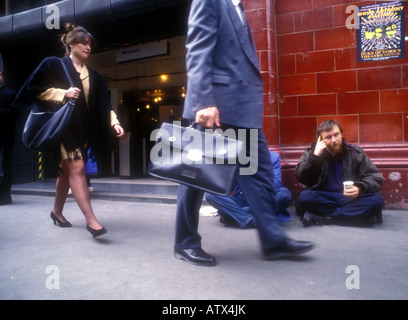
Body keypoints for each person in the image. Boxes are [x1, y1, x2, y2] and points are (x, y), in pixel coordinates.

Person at [174, 0, 314, 266]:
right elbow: (197, 49)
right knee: (194, 179)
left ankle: (273, 240)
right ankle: (185, 243)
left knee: (257, 174)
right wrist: (203, 100)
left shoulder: (239, 9)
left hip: (241, 111)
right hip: (215, 108)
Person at [17, 23, 124, 238]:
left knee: (67, 172)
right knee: (77, 168)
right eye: (83, 43)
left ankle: (56, 212)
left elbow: (104, 105)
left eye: (90, 44)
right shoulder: (53, 64)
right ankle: (91, 221)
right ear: (71, 44)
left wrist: (114, 122)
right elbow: (31, 90)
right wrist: (62, 93)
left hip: (84, 131)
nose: (88, 47)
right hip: (63, 128)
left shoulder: (95, 76)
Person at [295, 119, 384, 227]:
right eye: (328, 137)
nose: (334, 140)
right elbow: (301, 177)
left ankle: (324, 218)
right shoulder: (312, 153)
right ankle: (358, 217)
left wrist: (360, 188)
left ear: (341, 134)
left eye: (336, 135)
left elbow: (376, 177)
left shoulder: (355, 152)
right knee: (304, 197)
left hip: (349, 198)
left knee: (377, 200)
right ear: (320, 140)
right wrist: (315, 157)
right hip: (325, 197)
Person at [205, 150, 291, 229]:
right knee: (211, 195)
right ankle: (251, 220)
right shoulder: (236, 156)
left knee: (284, 194)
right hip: (242, 198)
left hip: (264, 197)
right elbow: (227, 186)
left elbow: (276, 185)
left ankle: (236, 216)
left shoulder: (273, 157)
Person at [0, 68, 18, 205]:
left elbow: (14, 114)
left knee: (4, 168)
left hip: (4, 138)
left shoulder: (10, 94)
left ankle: (4, 197)